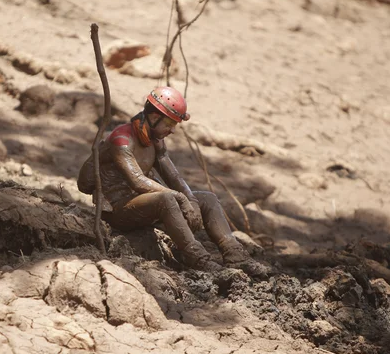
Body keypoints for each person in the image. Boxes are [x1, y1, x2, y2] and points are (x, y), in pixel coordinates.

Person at [77, 86, 257, 272]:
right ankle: (198, 259)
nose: (172, 131)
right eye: (169, 125)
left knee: (208, 199)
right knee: (167, 199)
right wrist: (180, 198)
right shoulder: (122, 139)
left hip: (143, 203)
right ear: (155, 118)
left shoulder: (154, 139)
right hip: (117, 210)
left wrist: (192, 200)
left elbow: (173, 176)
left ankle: (236, 255)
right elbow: (137, 180)